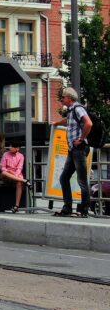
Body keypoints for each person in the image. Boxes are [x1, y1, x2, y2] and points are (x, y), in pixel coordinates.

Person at [52, 87, 92, 217]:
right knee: (64, 178)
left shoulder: (78, 108)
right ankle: (67, 208)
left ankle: (84, 210)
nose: (62, 99)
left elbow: (88, 123)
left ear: (69, 98)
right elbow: (68, 121)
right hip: (73, 150)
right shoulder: (71, 111)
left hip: (79, 149)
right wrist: (56, 123)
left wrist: (81, 139)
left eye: (63, 97)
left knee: (82, 180)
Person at [0, 140, 28, 213]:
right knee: (4, 173)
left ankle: (16, 206)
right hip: (6, 174)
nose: (10, 147)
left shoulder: (21, 156)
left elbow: (19, 168)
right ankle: (24, 181)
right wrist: (9, 172)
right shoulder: (5, 154)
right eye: (10, 146)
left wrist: (14, 174)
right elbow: (2, 167)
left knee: (19, 183)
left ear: (17, 148)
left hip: (16, 174)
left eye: (12, 146)